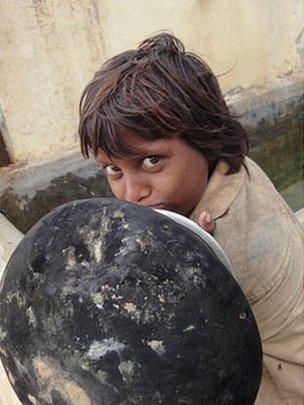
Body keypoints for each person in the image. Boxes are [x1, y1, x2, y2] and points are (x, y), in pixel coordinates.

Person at [78, 33, 303, 404]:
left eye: (151, 161)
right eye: (113, 169)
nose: (131, 193)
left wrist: (190, 258)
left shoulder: (227, 238)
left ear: (204, 138)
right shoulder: (230, 165)